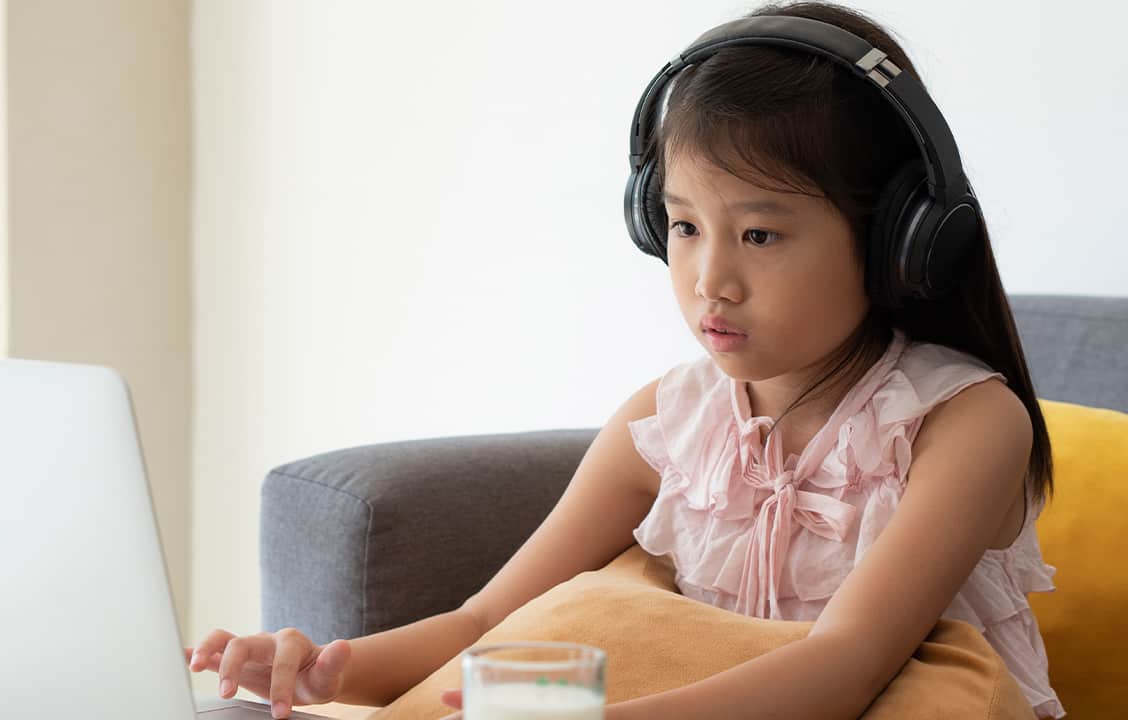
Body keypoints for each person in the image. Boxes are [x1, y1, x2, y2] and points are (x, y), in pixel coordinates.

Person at [185, 2, 1065, 718]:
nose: (710, 280)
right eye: (683, 225)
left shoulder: (964, 424)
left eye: (759, 234)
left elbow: (846, 668)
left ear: (899, 240)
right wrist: (325, 670)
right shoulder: (667, 423)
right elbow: (486, 622)